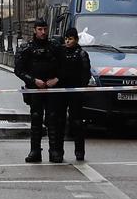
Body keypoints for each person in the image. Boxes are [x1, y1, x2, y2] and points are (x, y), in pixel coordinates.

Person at [14, 18, 62, 163]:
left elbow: (65, 66)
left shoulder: (55, 47)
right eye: (40, 29)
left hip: (52, 88)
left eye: (45, 29)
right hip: (35, 89)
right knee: (36, 119)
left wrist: (57, 79)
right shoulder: (27, 48)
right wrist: (33, 80)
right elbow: (19, 70)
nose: (43, 32)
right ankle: (35, 150)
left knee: (53, 120)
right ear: (35, 30)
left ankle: (54, 151)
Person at [56, 26, 92, 162]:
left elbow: (85, 73)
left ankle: (79, 151)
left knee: (76, 122)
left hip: (75, 92)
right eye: (66, 38)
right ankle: (58, 151)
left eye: (70, 39)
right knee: (59, 121)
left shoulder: (81, 54)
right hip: (62, 91)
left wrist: (80, 88)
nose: (67, 41)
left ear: (76, 39)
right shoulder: (61, 52)